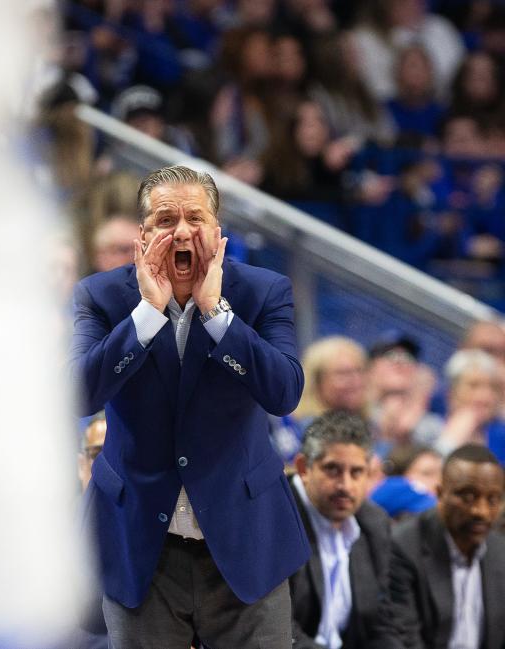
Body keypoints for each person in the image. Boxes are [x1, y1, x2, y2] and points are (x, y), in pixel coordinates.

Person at [71, 164, 308, 647]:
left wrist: (217, 313)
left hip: (245, 540)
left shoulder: (263, 293)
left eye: (195, 218)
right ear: (142, 235)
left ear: (218, 232)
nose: (181, 231)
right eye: (165, 219)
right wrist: (147, 313)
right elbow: (79, 394)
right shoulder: (101, 297)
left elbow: (285, 393)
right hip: (141, 545)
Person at [288, 411, 401, 649]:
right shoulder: (274, 519)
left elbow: (382, 622)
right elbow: (275, 628)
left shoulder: (374, 523)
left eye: (356, 472)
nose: (345, 485)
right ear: (304, 467)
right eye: (332, 469)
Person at [390, 444, 505, 648]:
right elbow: (404, 639)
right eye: (467, 497)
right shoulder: (404, 546)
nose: (481, 511)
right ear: (440, 493)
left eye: (493, 499)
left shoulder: (500, 551)